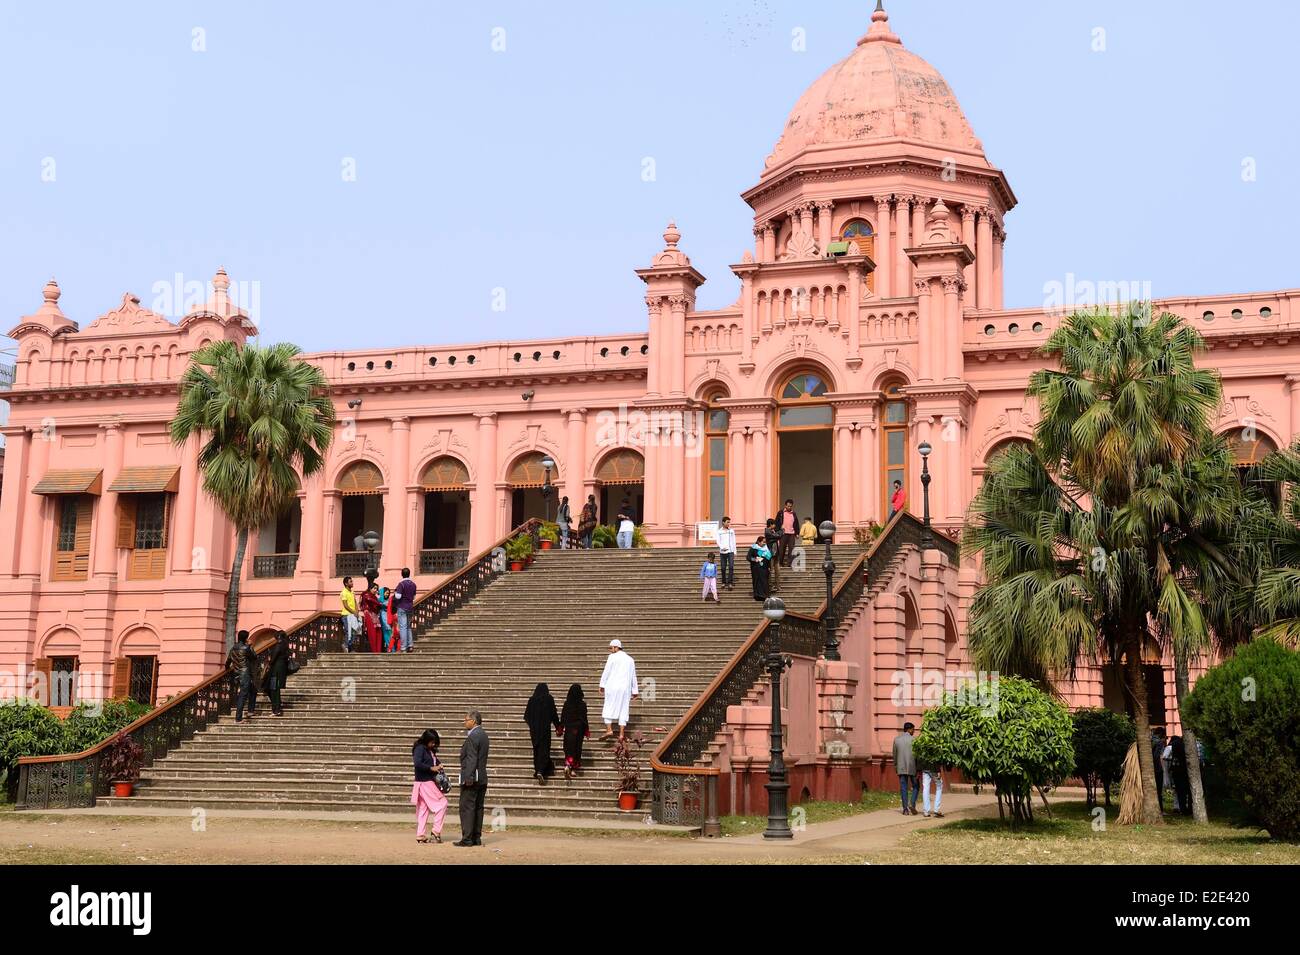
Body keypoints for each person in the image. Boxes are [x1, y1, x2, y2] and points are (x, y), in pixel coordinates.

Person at [455, 710, 489, 847]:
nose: (465, 722)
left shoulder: (473, 736)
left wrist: (468, 777)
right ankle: (476, 836)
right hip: (482, 777)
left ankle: (467, 838)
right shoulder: (484, 735)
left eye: (466, 720)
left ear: (473, 721)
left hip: (472, 777)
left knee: (467, 807)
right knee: (478, 807)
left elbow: (471, 758)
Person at [411, 729, 448, 844]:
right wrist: (431, 768)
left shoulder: (429, 750)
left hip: (423, 783)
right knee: (442, 803)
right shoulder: (420, 748)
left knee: (423, 809)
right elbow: (417, 763)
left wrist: (439, 765)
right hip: (425, 782)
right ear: (426, 740)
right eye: (432, 742)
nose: (433, 745)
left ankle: (420, 834)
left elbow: (434, 761)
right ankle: (436, 831)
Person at [599, 639, 639, 740]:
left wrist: (602, 685)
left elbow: (606, 671)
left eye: (611, 647)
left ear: (616, 647)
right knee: (623, 709)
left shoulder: (612, 657)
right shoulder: (630, 659)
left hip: (612, 686)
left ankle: (609, 729)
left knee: (608, 706)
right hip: (625, 688)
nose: (610, 650)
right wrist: (635, 691)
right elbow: (634, 676)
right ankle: (621, 734)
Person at [523, 683, 561, 784]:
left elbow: (526, 716)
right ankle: (541, 771)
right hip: (545, 730)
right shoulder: (549, 699)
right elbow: (554, 714)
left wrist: (532, 725)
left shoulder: (532, 700)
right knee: (544, 750)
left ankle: (537, 770)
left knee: (537, 750)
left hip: (534, 731)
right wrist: (558, 727)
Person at [225, 630, 259, 723]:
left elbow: (227, 662)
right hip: (245, 674)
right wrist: (250, 646)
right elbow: (254, 657)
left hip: (237, 673)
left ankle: (250, 711)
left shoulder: (233, 648)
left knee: (253, 690)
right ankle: (238, 718)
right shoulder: (246, 648)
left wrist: (227, 669)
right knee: (243, 695)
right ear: (245, 638)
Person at [559, 683, 590, 780]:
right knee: (576, 748)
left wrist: (560, 728)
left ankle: (568, 764)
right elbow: (584, 719)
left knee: (569, 747)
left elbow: (563, 717)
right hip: (579, 730)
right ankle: (573, 769)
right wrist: (587, 731)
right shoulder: (582, 704)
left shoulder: (567, 704)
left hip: (569, 729)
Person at [892, 722, 918, 815]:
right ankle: (912, 803)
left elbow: (894, 755)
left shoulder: (896, 740)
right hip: (912, 767)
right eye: (913, 730)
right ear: (909, 729)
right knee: (916, 786)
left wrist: (895, 766)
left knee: (903, 788)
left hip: (901, 767)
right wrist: (918, 768)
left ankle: (905, 809)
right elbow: (917, 755)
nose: (913, 732)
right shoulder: (915, 740)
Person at [263, 630, 290, 717]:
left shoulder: (279, 645)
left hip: (276, 670)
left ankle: (276, 709)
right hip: (280, 669)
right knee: (272, 688)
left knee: (274, 688)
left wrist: (269, 664)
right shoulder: (285, 645)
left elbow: (274, 657)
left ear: (278, 637)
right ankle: (277, 705)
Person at [394, 567, 417, 653]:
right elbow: (414, 597)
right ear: (409, 574)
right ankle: (410, 646)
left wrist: (395, 592)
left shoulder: (401, 584)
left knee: (403, 627)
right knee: (408, 627)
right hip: (410, 606)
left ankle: (403, 647)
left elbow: (398, 596)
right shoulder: (413, 584)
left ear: (402, 574)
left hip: (402, 607)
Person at [1169, 735, 1192, 816]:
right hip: (1186, 771)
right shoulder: (1187, 744)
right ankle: (1189, 809)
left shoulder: (1175, 744)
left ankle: (1183, 809)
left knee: (1180, 791)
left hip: (1177, 771)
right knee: (1189, 791)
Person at [773, 499, 799, 568]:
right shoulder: (780, 513)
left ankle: (789, 564)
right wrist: (777, 531)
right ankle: (780, 563)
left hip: (791, 533)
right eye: (788, 506)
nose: (789, 507)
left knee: (791, 548)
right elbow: (777, 522)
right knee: (782, 549)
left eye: (790, 506)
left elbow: (796, 523)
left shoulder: (794, 513)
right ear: (785, 505)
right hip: (783, 533)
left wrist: (797, 533)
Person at [747, 535, 772, 601]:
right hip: (756, 568)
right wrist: (754, 559)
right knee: (756, 582)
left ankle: (765, 595)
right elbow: (748, 557)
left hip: (764, 568)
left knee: (764, 581)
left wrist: (769, 566)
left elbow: (768, 558)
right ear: (758, 542)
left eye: (765, 542)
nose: (764, 543)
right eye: (763, 542)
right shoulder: (753, 548)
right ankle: (757, 596)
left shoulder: (766, 548)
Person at [360, 581, 383, 654]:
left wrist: (379, 604)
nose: (376, 590)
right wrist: (379, 604)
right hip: (368, 614)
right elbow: (369, 600)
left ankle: (378, 651)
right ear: (370, 588)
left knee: (378, 632)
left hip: (375, 615)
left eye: (377, 589)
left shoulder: (375, 597)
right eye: (374, 588)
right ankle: (374, 651)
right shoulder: (365, 594)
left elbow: (377, 606)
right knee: (372, 633)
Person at [339, 576, 360, 651]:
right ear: (346, 583)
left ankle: (349, 647)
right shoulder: (343, 593)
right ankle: (346, 645)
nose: (352, 583)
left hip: (353, 615)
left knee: (355, 631)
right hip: (346, 615)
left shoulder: (352, 592)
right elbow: (345, 605)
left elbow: (355, 603)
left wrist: (357, 612)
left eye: (352, 581)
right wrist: (354, 612)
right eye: (350, 581)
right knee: (348, 631)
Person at [716, 516, 737, 591]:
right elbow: (718, 541)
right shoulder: (719, 531)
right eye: (727, 522)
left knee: (731, 567)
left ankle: (730, 582)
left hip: (730, 551)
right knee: (723, 568)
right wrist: (722, 547)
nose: (729, 524)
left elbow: (734, 541)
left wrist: (735, 551)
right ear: (723, 522)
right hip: (723, 552)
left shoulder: (731, 531)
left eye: (729, 522)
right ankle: (723, 582)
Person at [763, 518, 782, 591]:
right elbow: (777, 536)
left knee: (778, 571)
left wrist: (778, 534)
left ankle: (777, 585)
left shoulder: (773, 531)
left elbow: (777, 536)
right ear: (770, 524)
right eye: (774, 524)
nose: (775, 525)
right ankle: (770, 586)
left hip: (776, 553)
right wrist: (781, 532)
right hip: (770, 554)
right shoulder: (767, 531)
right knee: (770, 570)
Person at [1151, 728, 1167, 811]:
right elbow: (1157, 756)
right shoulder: (1159, 742)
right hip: (1157, 769)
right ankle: (1160, 809)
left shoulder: (1149, 740)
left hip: (1148, 769)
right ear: (1161, 734)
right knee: (1158, 791)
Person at [377, 583, 396, 653]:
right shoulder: (379, 600)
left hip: (389, 617)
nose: (387, 595)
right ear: (383, 593)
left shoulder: (389, 600)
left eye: (388, 593)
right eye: (386, 593)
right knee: (386, 633)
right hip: (382, 617)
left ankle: (391, 648)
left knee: (390, 633)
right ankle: (390, 648)